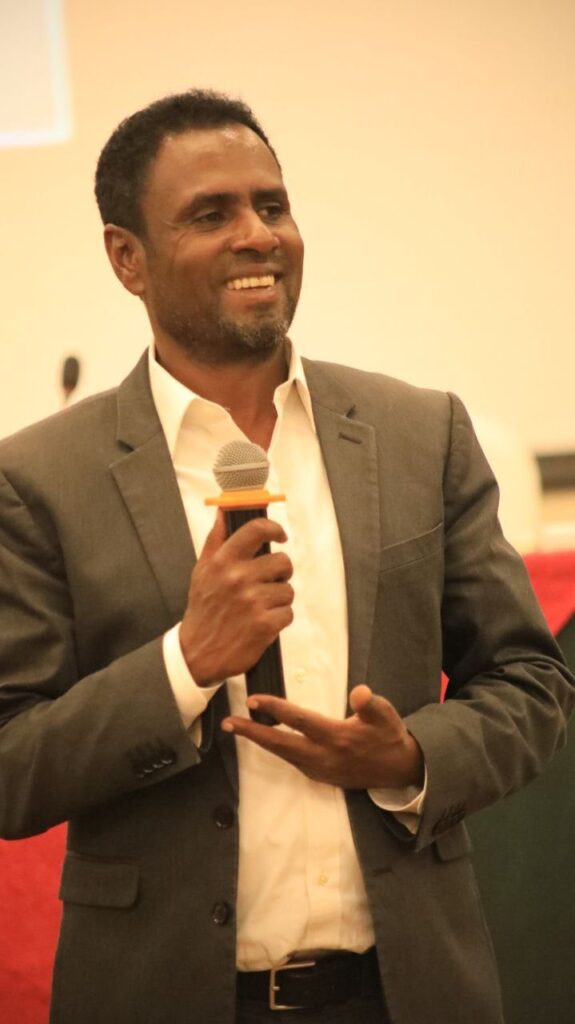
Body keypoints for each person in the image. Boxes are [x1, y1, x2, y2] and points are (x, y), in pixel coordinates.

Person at [0, 90, 572, 1024]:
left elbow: (530, 681)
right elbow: (10, 765)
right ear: (126, 258)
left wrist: (409, 757)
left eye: (272, 206)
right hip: (163, 997)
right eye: (210, 214)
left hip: (405, 993)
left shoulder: (418, 433)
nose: (258, 235)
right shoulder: (38, 480)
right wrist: (184, 663)